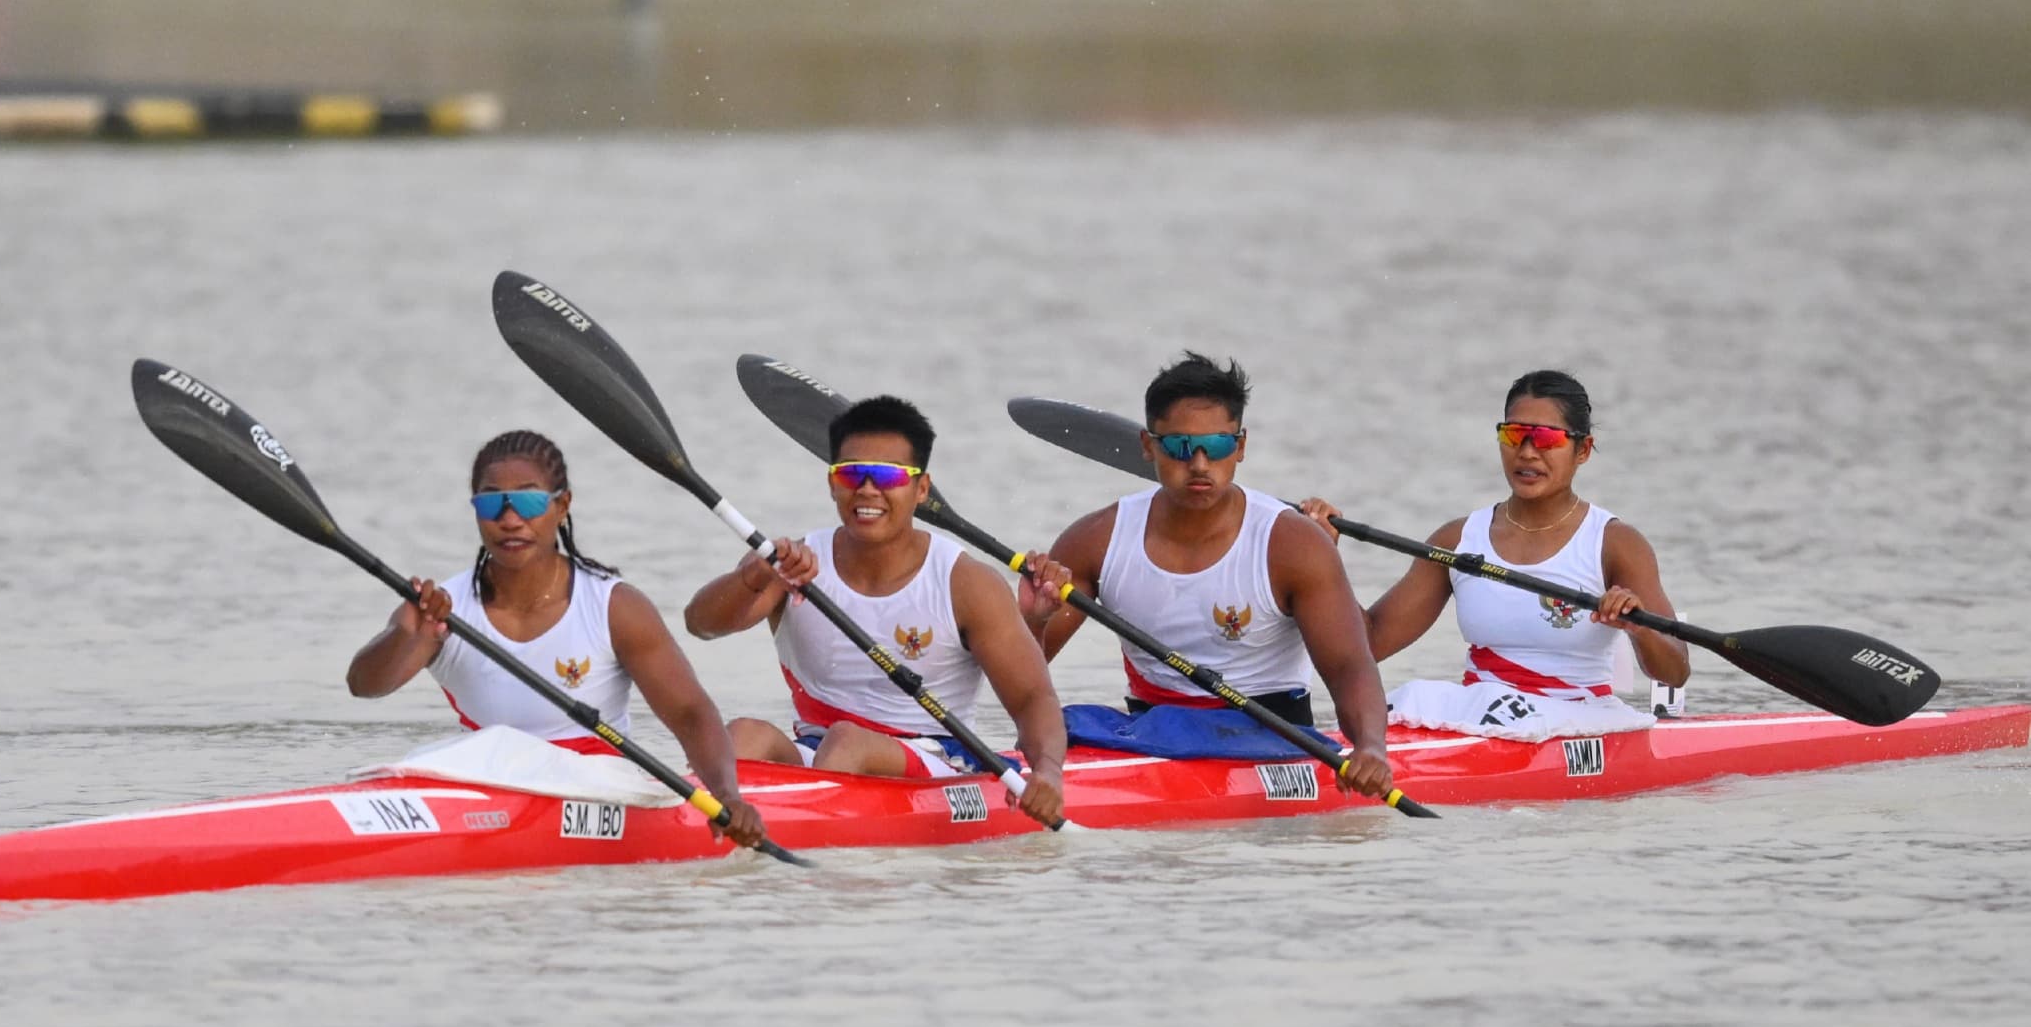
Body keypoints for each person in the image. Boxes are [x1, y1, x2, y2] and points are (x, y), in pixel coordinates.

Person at [346, 428, 766, 847]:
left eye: (528, 501)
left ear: (562, 505)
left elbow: (690, 714)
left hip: (594, 789)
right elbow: (364, 687)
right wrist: (406, 635)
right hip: (488, 781)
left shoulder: (614, 607)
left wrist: (727, 797)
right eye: (492, 502)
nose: (510, 520)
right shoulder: (443, 607)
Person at [679, 395, 1068, 825]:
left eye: (886, 476)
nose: (866, 489)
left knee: (849, 742)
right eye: (850, 475)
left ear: (922, 489)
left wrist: (1048, 774)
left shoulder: (966, 583)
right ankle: (692, 827)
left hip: (936, 759)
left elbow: (1033, 698)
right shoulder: (791, 562)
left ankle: (805, 846)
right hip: (818, 748)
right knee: (743, 734)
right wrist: (752, 574)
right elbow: (700, 625)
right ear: (831, 484)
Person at [1023, 352, 1395, 798]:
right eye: (1180, 447)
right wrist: (1032, 620)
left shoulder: (1291, 544)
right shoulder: (1095, 539)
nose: (1199, 464)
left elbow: (1350, 666)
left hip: (1270, 738)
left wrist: (1371, 747)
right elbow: (1020, 672)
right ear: (1147, 446)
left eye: (1216, 447)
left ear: (1240, 447)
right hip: (1150, 734)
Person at [1299, 369, 1687, 738]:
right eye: (1515, 434)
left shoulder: (1615, 543)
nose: (1528, 452)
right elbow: (1370, 644)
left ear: (1582, 449)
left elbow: (1674, 672)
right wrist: (1322, 556)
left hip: (1575, 715)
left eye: (1547, 438)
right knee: (1410, 694)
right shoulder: (1457, 540)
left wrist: (1641, 628)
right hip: (1482, 710)